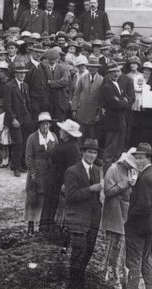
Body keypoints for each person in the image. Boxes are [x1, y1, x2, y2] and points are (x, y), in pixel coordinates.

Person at [63, 137, 103, 289]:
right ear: (82, 153)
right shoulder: (72, 171)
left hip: (92, 219)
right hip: (77, 219)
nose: (92, 155)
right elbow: (70, 196)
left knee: (88, 251)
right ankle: (74, 284)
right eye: (89, 152)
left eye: (94, 153)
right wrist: (90, 189)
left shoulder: (95, 170)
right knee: (78, 254)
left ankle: (79, 281)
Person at [100, 148, 139, 286]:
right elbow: (108, 191)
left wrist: (132, 186)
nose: (131, 168)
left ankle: (118, 276)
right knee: (110, 246)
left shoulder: (129, 170)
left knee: (120, 248)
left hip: (124, 213)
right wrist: (125, 184)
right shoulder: (112, 170)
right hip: (113, 213)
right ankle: (107, 275)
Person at [125, 143, 152, 289]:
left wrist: (128, 217)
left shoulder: (145, 177)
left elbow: (143, 205)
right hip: (148, 226)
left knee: (134, 260)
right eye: (136, 158)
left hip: (137, 226)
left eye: (140, 158)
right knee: (146, 259)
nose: (137, 161)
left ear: (148, 159)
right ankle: (151, 286)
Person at [43, 118, 83, 234]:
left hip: (60, 181)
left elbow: (71, 167)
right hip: (57, 179)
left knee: (56, 205)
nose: (59, 131)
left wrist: (66, 184)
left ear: (67, 133)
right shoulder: (69, 145)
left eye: (62, 130)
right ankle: (50, 229)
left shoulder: (70, 147)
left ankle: (52, 230)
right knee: (53, 205)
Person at [25, 111, 57, 234]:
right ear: (39, 125)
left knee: (46, 199)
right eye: (43, 124)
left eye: (47, 124)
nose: (45, 127)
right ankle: (30, 225)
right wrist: (32, 172)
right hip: (37, 173)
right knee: (33, 199)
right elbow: (28, 157)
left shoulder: (53, 137)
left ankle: (43, 226)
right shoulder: (32, 138)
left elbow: (57, 154)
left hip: (48, 172)